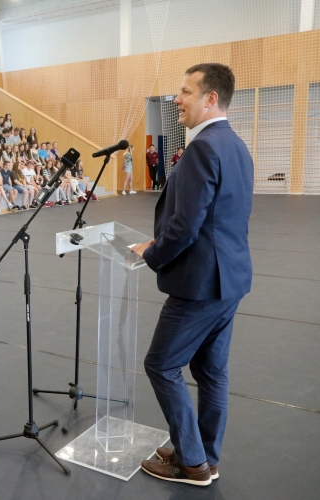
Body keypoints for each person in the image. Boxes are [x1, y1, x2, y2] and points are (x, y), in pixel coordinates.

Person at [132, 63, 253, 487]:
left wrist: (153, 253)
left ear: (210, 98)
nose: (176, 99)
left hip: (199, 285)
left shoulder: (203, 148)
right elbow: (215, 218)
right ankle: (205, 455)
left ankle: (192, 462)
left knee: (161, 365)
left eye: (185, 91)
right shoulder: (236, 144)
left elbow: (186, 226)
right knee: (211, 373)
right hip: (229, 279)